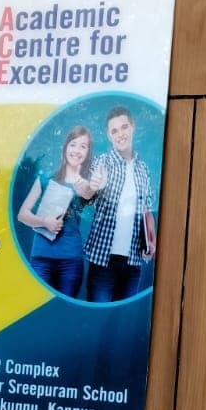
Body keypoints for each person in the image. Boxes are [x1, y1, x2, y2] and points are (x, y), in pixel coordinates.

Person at [84, 105, 157, 302]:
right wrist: (93, 186)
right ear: (109, 135)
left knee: (121, 323)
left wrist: (152, 240)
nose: (120, 134)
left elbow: (146, 210)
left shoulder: (143, 169)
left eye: (124, 127)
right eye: (114, 131)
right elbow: (87, 196)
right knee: (98, 322)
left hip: (133, 262)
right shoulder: (102, 163)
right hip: (102, 261)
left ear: (133, 127)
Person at [15, 125, 96, 298]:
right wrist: (44, 222)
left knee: (64, 314)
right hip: (41, 259)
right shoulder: (45, 180)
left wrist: (88, 191)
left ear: (88, 153)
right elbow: (22, 214)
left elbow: (91, 199)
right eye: (73, 144)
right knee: (39, 312)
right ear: (65, 147)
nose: (77, 150)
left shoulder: (87, 187)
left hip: (71, 261)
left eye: (83, 146)